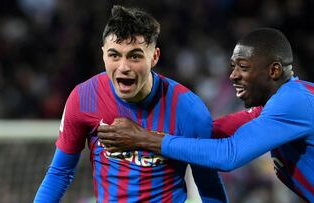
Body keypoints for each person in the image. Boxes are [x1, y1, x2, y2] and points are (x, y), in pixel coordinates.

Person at [34, 5, 228, 202]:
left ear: (154, 57)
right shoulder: (84, 98)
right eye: (114, 55)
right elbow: (59, 173)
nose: (123, 67)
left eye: (135, 56)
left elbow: (208, 185)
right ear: (103, 54)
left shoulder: (189, 109)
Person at [97, 28, 314, 202]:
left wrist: (143, 138)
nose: (233, 75)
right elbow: (207, 132)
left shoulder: (294, 102)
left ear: (274, 71)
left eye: (243, 67)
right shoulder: (276, 106)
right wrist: (144, 130)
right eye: (232, 66)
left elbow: (229, 155)